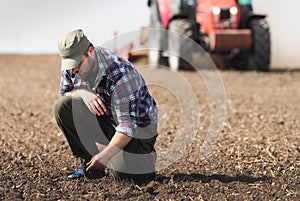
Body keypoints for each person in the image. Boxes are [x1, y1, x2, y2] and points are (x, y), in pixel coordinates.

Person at [54, 29, 158, 184]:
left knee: (121, 175)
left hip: (139, 130)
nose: (73, 70)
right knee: (63, 107)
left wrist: (104, 157)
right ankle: (87, 165)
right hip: (109, 120)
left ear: (90, 51)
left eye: (77, 63)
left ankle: (146, 158)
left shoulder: (120, 74)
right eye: (70, 65)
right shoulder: (72, 68)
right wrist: (82, 92)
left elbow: (128, 127)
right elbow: (66, 93)